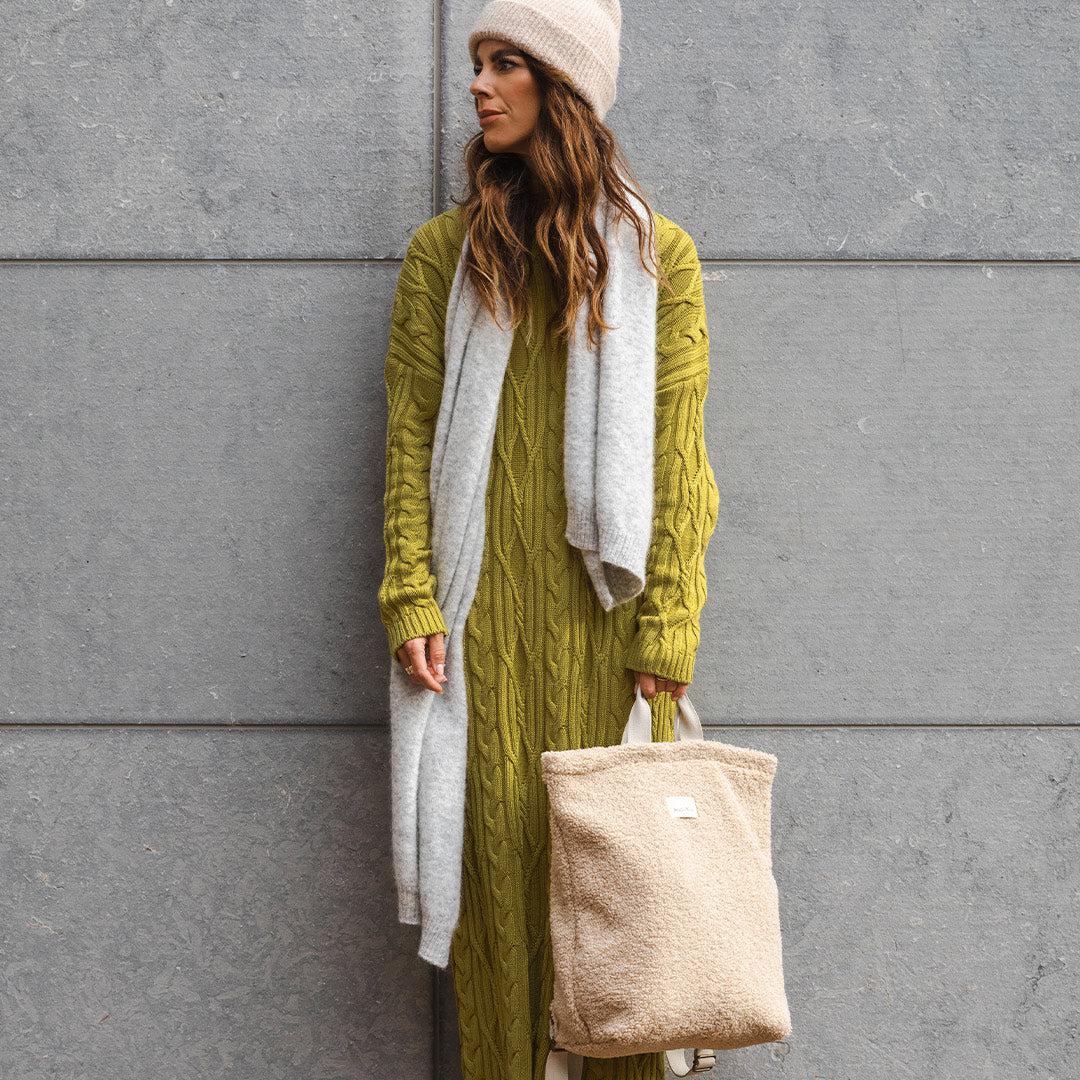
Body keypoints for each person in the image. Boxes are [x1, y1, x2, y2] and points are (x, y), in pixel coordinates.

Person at [378, 1, 720, 1076]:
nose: (479, 84)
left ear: (564, 87)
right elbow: (410, 439)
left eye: (506, 63)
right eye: (477, 62)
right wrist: (411, 594)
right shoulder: (445, 257)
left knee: (621, 931)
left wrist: (668, 633)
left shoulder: (658, 259)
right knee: (498, 922)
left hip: (609, 640)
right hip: (474, 642)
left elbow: (679, 464)